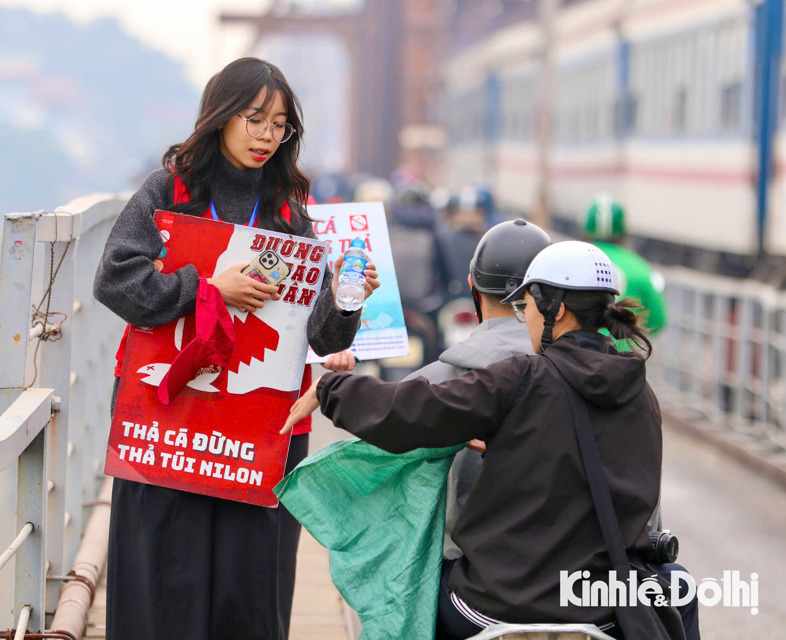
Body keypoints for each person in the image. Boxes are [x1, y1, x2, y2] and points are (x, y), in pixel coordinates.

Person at [93, 57, 379, 640]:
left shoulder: (290, 217)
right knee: (162, 587)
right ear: (220, 117)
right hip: (170, 429)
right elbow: (114, 280)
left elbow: (321, 337)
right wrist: (207, 290)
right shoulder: (173, 191)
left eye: (280, 125)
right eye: (254, 119)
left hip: (254, 434)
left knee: (249, 595)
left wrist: (349, 301)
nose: (266, 136)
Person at [283, 241, 699, 640]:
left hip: (494, 604)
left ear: (554, 308)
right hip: (604, 610)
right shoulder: (640, 395)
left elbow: (415, 411)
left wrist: (331, 390)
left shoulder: (522, 378)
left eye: (528, 306)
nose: (526, 317)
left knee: (417, 582)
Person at [402, 219, 551, 560]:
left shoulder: (427, 386)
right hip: (575, 589)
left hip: (465, 586)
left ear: (473, 286)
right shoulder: (602, 381)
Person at [582, 193, 667, 338]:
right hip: (623, 358)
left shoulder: (574, 261)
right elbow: (657, 322)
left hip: (576, 357)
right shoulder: (639, 268)